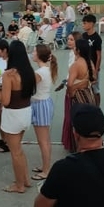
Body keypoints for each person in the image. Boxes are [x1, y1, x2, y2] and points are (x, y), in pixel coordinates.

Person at [0, 40, 39, 194]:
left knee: (15, 152)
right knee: (19, 149)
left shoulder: (9, 75)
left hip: (13, 114)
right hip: (25, 111)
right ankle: (25, 179)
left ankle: (19, 185)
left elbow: (5, 101)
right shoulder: (29, 72)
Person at [31, 44, 59, 180]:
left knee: (43, 140)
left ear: (39, 55)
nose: (32, 53)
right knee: (44, 139)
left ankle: (46, 170)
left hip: (40, 104)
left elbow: (28, 86)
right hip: (43, 103)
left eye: (34, 51)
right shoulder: (45, 70)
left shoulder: (40, 73)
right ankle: (45, 166)